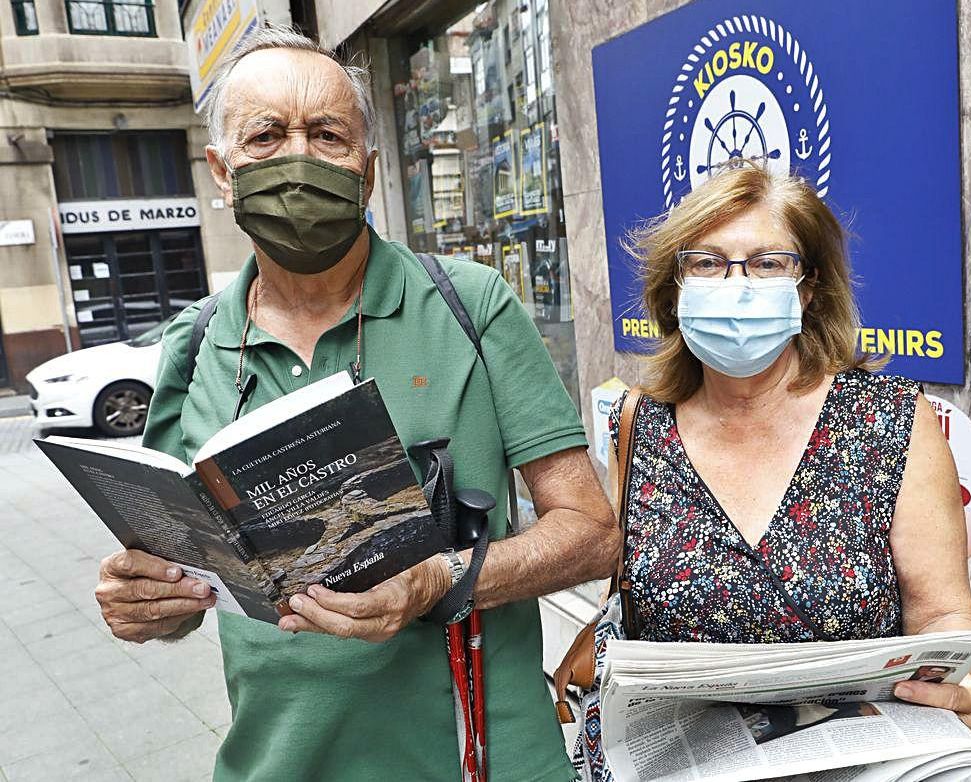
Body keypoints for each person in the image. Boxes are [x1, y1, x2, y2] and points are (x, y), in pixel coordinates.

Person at [92, 26, 618, 782]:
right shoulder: (193, 346)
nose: (298, 159)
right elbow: (186, 581)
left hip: (485, 759)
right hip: (280, 762)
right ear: (222, 169)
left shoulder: (470, 304)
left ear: (367, 170)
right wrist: (149, 606)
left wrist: (440, 578)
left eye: (327, 134)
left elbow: (592, 533)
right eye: (266, 136)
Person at [584, 162, 971, 772]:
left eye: (767, 263)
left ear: (806, 287)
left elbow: (945, 614)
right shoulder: (638, 425)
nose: (735, 284)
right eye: (708, 262)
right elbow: (628, 602)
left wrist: (959, 683)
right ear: (675, 285)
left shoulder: (894, 422)